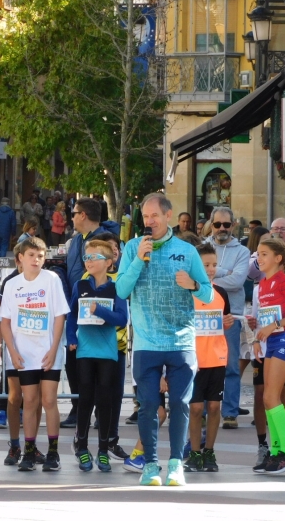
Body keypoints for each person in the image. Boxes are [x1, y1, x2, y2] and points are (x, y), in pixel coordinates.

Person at [116, 192, 212, 486]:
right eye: (145, 217)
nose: (149, 221)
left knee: (181, 404)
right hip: (146, 343)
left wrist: (194, 284)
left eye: (154, 216)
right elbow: (121, 290)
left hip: (181, 342)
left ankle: (175, 465)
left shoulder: (186, 250)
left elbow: (208, 293)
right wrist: (138, 261)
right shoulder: (133, 248)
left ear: (168, 216)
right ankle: (149, 465)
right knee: (147, 406)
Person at [0, 237, 69, 472]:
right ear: (20, 258)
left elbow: (60, 315)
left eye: (40, 256)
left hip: (48, 351)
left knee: (49, 400)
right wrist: (12, 351)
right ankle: (28, 451)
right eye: (31, 255)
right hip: (23, 353)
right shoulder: (12, 285)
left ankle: (53, 452)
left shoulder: (52, 279)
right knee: (29, 400)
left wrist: (54, 348)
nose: (36, 260)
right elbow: (5, 322)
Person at [66, 240, 128, 472]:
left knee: (105, 400)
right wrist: (71, 338)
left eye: (94, 257)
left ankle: (103, 450)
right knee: (85, 399)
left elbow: (122, 319)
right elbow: (72, 314)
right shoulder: (80, 285)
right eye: (87, 257)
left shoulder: (116, 288)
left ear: (109, 262)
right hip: (85, 350)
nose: (88, 261)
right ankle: (82, 447)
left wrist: (99, 310)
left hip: (108, 352)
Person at [62, 198, 120, 428]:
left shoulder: (105, 239)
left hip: (102, 315)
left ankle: (102, 415)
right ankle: (79, 407)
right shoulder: (76, 240)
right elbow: (72, 272)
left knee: (101, 370)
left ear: (83, 214)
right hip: (78, 308)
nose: (72, 217)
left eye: (74, 213)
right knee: (73, 363)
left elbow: (114, 270)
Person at [251, 238, 285, 474]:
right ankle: (275, 451)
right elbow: (263, 317)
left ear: (278, 258)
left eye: (263, 254)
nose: (259, 259)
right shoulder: (262, 284)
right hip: (270, 342)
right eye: (258, 255)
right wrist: (256, 338)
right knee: (267, 398)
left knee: (273, 397)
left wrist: (275, 325)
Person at [184, 242, 233, 473]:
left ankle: (209, 452)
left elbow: (224, 321)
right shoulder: (187, 293)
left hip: (217, 358)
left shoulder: (221, 293)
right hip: (194, 359)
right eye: (206, 265)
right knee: (195, 409)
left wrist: (227, 323)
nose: (211, 269)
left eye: (214, 264)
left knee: (214, 406)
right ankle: (194, 452)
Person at [205, 207, 250, 430]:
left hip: (231, 314)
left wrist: (209, 280)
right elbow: (196, 275)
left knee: (231, 364)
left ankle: (230, 412)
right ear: (211, 225)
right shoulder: (201, 248)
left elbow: (238, 281)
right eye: (217, 224)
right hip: (203, 314)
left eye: (226, 225)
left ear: (233, 226)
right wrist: (225, 272)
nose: (222, 229)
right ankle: (202, 409)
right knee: (203, 363)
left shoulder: (242, 251)